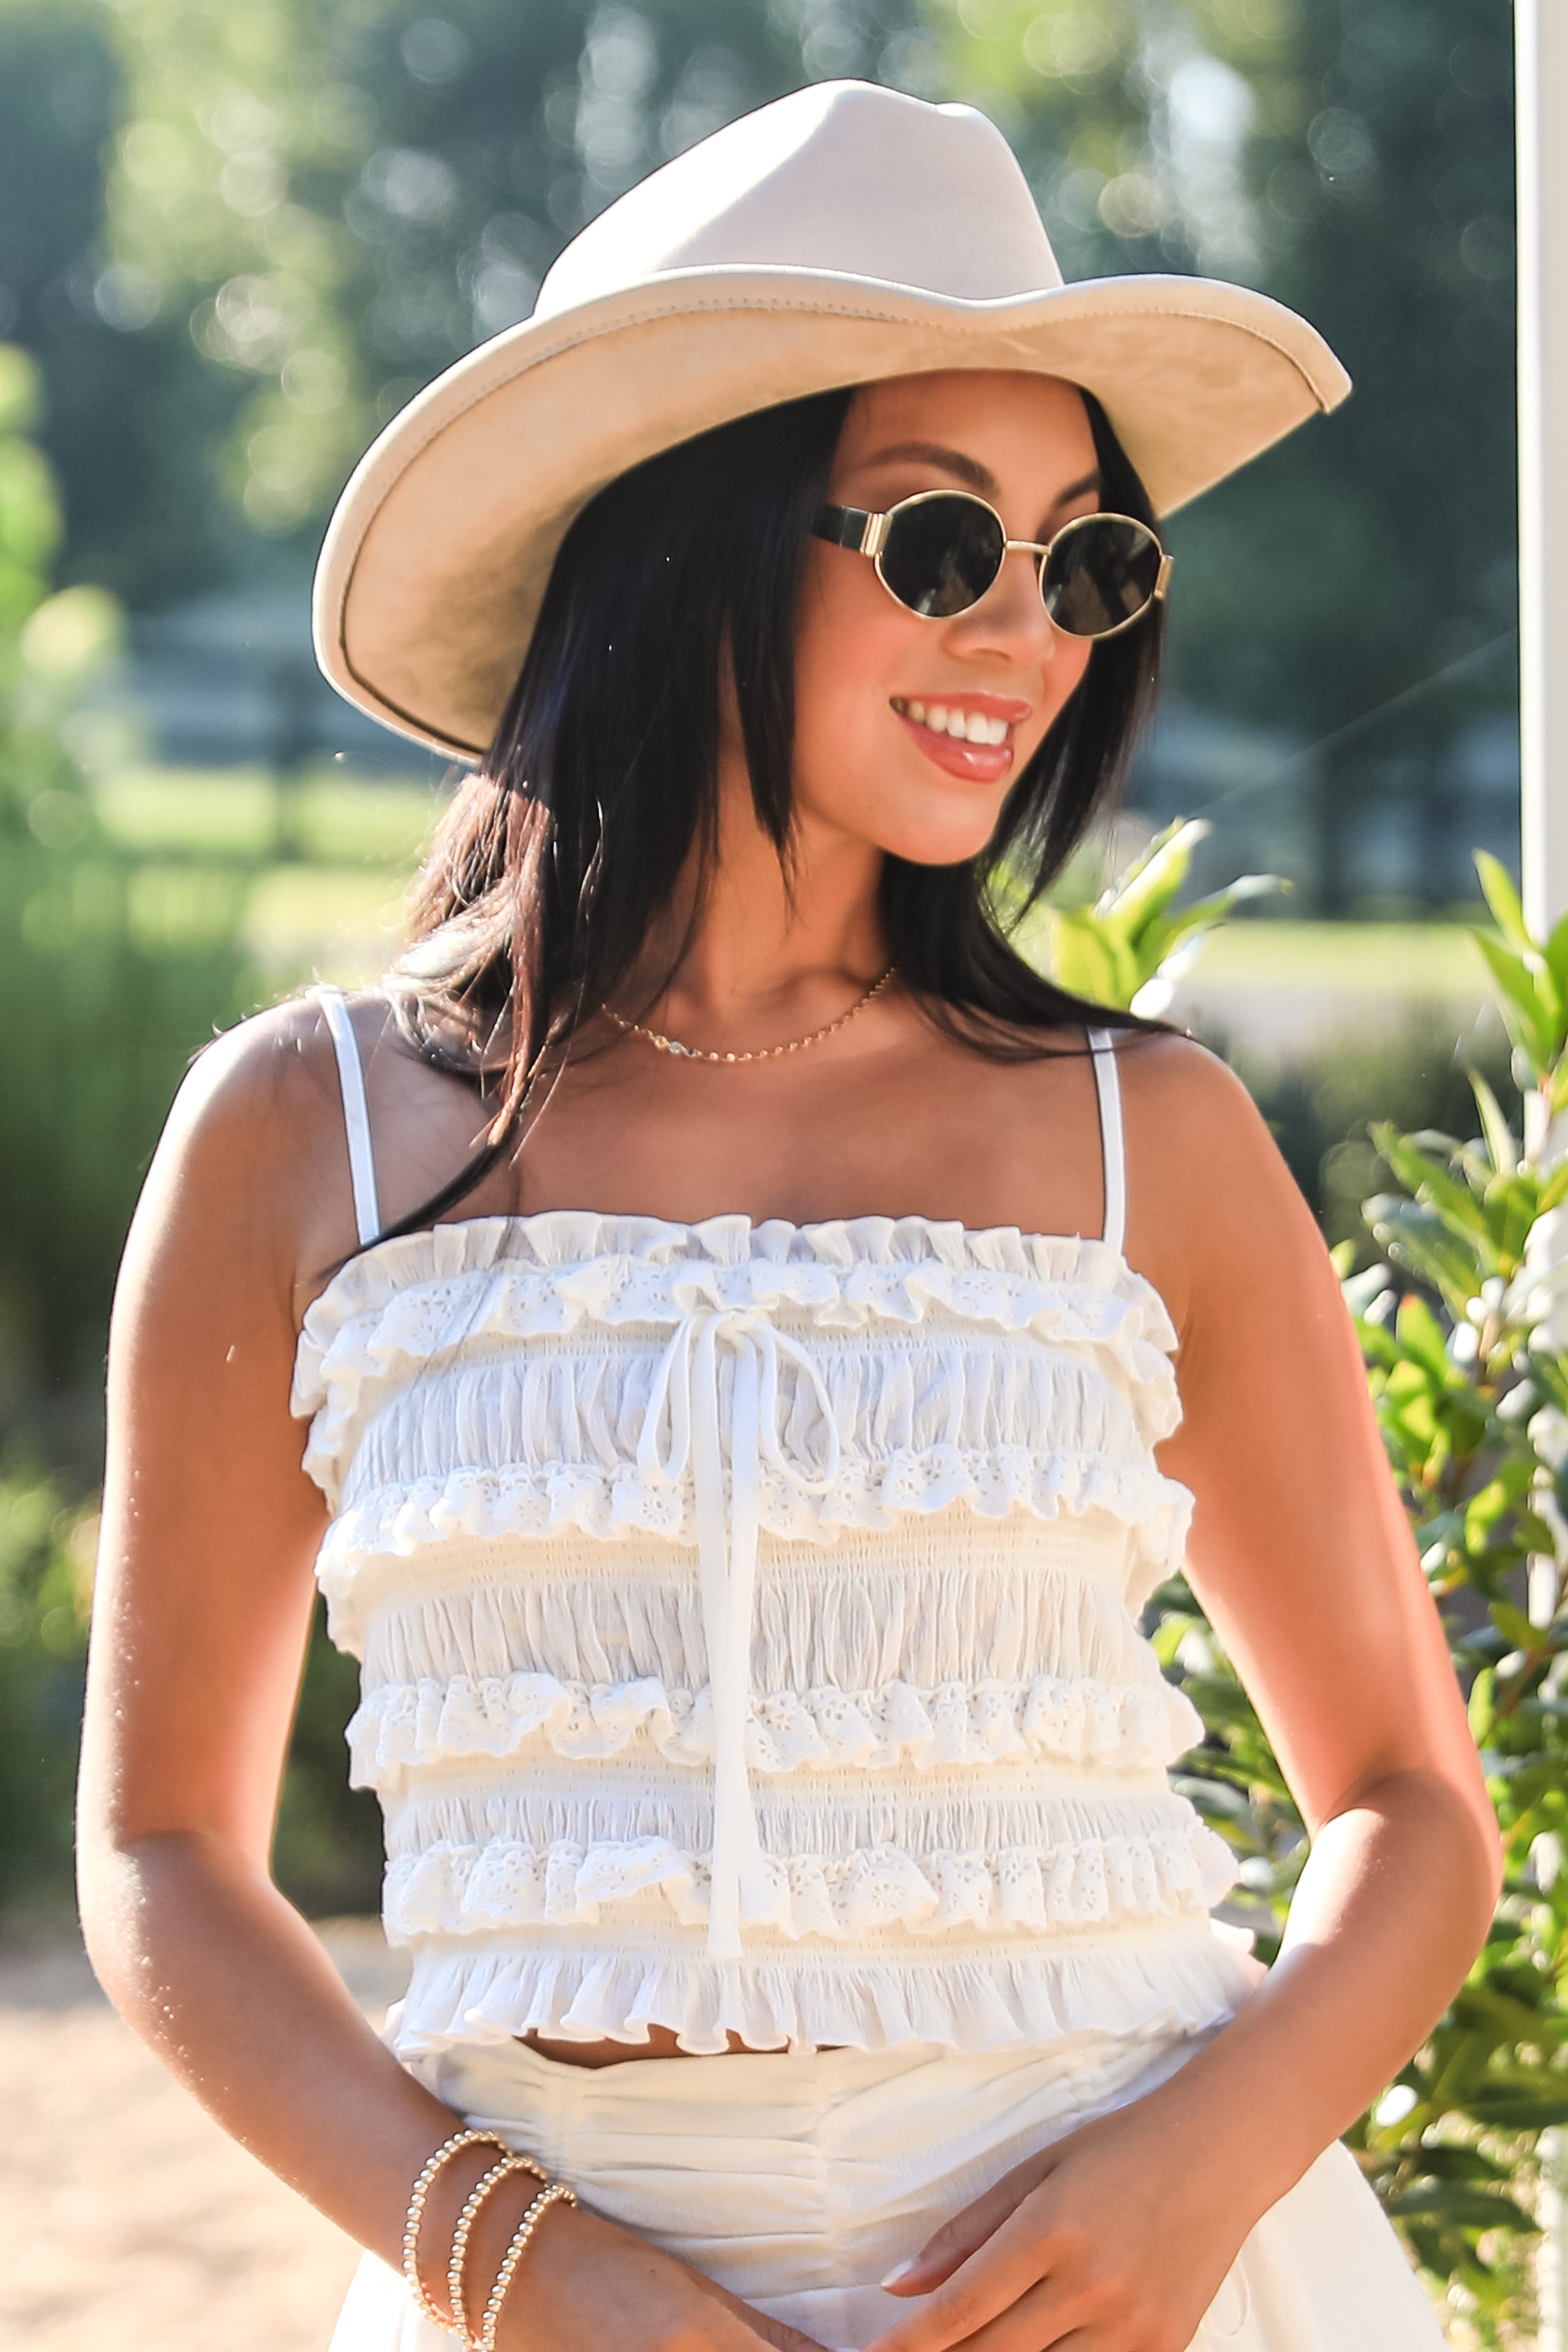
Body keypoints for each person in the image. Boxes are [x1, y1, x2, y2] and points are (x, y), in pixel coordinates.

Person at [77, 77, 1498, 2352]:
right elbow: (159, 1856)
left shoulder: (1155, 1139)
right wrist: (520, 2268)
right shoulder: (301, 1132)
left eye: (1088, 559)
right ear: (681, 538)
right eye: (942, 542)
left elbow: (1412, 1804)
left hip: (1134, 2294)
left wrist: (1201, 2171)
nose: (1028, 631)